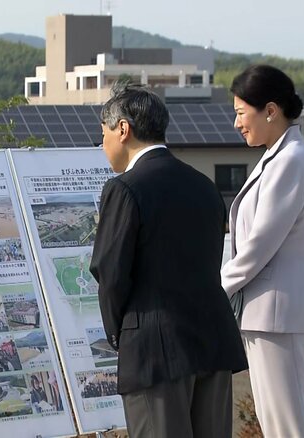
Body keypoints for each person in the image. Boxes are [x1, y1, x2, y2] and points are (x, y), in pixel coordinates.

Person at [89, 83, 247, 438]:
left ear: (123, 130)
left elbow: (110, 274)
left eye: (103, 135)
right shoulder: (204, 186)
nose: (103, 145)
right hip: (213, 340)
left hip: (154, 350)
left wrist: (119, 333)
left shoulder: (124, 188)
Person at [220, 65, 304, 438]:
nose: (237, 123)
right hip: (270, 313)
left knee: (286, 426)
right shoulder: (280, 157)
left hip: (277, 314)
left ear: (270, 110)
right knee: (279, 423)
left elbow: (257, 247)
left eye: (240, 112)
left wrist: (214, 289)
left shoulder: (290, 161)